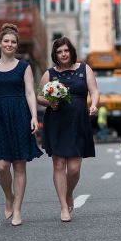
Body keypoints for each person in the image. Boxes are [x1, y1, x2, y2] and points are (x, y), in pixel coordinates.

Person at [0, 22, 43, 226]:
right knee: (2, 166)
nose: (10, 44)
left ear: (17, 45)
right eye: (6, 41)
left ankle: (17, 209)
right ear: (0, 44)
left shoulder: (24, 67)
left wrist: (34, 117)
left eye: (13, 42)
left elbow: (29, 92)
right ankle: (8, 195)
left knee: (19, 165)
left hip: (20, 115)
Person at [37, 37, 99, 223]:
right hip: (56, 121)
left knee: (73, 168)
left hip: (78, 121)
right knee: (58, 165)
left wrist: (94, 104)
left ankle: (69, 192)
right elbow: (40, 96)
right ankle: (63, 206)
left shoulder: (84, 69)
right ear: (55, 55)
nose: (63, 54)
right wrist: (50, 101)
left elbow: (94, 90)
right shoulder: (50, 74)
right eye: (59, 52)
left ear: (71, 51)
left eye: (66, 50)